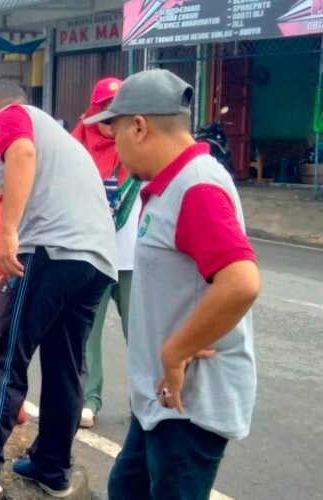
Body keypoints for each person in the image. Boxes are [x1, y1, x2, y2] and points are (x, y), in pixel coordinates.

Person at [0, 82, 117, 498]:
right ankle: (52, 468)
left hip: (52, 249)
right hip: (96, 260)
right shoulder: (61, 138)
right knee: (65, 366)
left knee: (6, 357)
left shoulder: (10, 117)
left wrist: (8, 235)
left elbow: (22, 154)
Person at [83, 69, 260, 500]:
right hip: (162, 403)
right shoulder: (171, 185)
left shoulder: (196, 186)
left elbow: (240, 283)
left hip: (189, 406)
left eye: (116, 130)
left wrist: (175, 351)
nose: (116, 148)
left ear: (139, 126)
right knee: (126, 489)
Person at [71, 77, 143, 429]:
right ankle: (89, 400)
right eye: (103, 111)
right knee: (87, 333)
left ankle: (145, 400)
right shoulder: (76, 146)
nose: (110, 122)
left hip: (135, 260)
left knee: (142, 333)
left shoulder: (140, 143)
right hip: (93, 258)